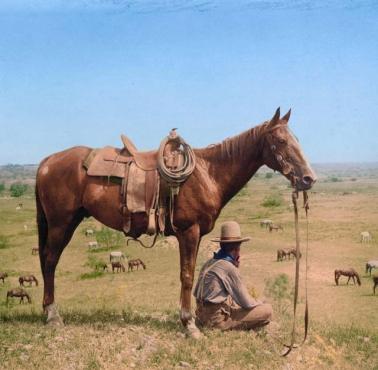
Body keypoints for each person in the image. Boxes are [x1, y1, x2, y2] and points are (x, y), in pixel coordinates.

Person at [194, 221, 272, 331]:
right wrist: (259, 303)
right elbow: (246, 302)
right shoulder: (228, 267)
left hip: (200, 317)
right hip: (216, 321)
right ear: (236, 250)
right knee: (267, 310)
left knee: (233, 301)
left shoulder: (210, 262)